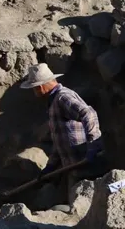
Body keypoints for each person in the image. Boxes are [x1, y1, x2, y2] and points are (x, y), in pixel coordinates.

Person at [21, 63, 105, 194]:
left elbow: (89, 113)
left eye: (34, 88)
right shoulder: (54, 102)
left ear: (40, 87)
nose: (34, 92)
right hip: (74, 168)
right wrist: (51, 165)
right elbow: (60, 139)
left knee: (101, 195)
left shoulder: (63, 97)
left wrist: (93, 144)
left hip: (87, 165)